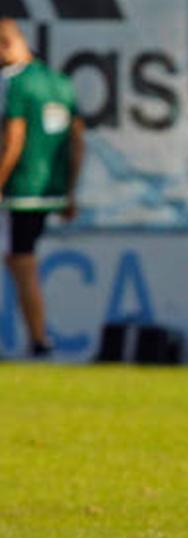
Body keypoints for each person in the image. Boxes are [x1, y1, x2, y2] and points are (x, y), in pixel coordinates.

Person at [0, 19, 83, 358]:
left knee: (22, 263)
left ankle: (39, 339)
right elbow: (77, 142)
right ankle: (38, 338)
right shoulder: (62, 83)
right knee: (23, 260)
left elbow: (13, 141)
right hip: (50, 191)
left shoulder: (16, 83)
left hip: (18, 190)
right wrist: (70, 192)